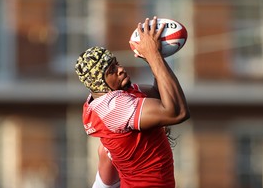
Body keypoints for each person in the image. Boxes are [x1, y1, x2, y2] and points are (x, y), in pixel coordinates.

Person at [75, 16, 190, 188]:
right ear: (99, 82)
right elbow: (177, 111)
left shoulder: (111, 97)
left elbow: (159, 95)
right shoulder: (114, 107)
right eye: (112, 70)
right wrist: (153, 56)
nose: (121, 69)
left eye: (117, 64)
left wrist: (153, 58)